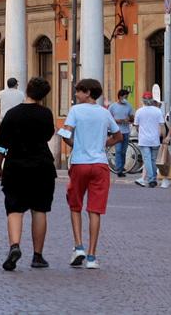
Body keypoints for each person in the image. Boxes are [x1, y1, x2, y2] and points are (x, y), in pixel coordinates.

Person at [60, 79, 122, 270]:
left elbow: (65, 133)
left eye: (78, 92)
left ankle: (79, 247)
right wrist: (104, 145)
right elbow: (118, 136)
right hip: (100, 164)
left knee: (75, 205)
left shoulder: (76, 111)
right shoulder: (105, 113)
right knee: (95, 210)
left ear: (87, 92)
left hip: (80, 163)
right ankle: (92, 256)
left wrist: (76, 146)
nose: (76, 95)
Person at [0, 77, 56, 271]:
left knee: (14, 209)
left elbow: (1, 145)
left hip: (15, 166)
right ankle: (38, 256)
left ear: (27, 90)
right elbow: (48, 135)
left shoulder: (12, 114)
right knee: (39, 210)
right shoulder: (46, 114)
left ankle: (15, 246)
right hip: (42, 166)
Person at [134, 92, 165, 188]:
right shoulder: (158, 111)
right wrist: (164, 137)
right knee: (153, 160)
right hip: (155, 139)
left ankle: (151, 179)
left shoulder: (139, 111)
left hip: (144, 139)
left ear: (143, 100)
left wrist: (140, 131)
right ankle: (153, 178)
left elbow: (137, 126)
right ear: (152, 100)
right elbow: (162, 125)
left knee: (146, 159)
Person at [108, 89, 135, 179]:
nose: (126, 98)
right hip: (116, 131)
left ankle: (121, 167)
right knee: (118, 150)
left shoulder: (129, 106)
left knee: (123, 151)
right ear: (120, 97)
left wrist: (129, 119)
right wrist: (116, 121)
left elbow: (132, 118)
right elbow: (108, 118)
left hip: (126, 131)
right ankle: (119, 170)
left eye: (127, 97)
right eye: (125, 96)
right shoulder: (113, 106)